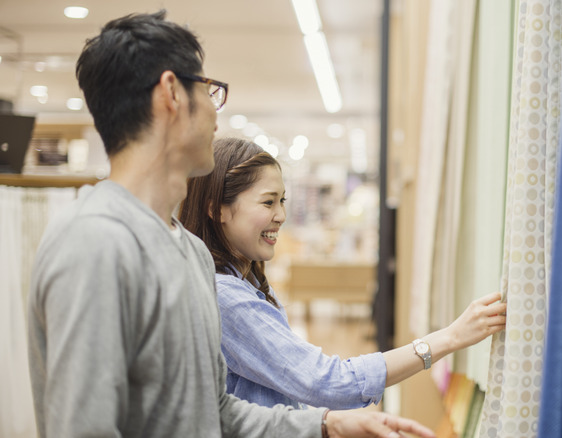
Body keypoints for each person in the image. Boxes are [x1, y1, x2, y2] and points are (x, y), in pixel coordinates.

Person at [26, 11, 435, 438]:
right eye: (208, 90)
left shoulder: (190, 251)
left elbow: (214, 413)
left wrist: (327, 423)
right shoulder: (93, 243)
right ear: (171, 92)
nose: (216, 113)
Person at [178, 137, 508, 410]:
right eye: (267, 203)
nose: (281, 215)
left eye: (282, 201)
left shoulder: (245, 283)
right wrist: (448, 338)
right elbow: (326, 381)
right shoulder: (226, 298)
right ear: (216, 208)